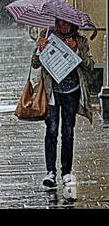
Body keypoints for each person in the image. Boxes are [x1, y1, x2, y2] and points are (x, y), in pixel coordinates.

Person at [31, 19, 94, 189]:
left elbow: (90, 65)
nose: (64, 27)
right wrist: (40, 49)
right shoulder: (47, 36)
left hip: (71, 93)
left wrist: (77, 51)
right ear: (56, 24)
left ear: (73, 25)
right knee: (51, 131)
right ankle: (50, 172)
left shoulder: (80, 41)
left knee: (68, 133)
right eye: (61, 23)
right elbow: (34, 64)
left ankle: (66, 172)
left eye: (67, 24)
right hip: (52, 93)